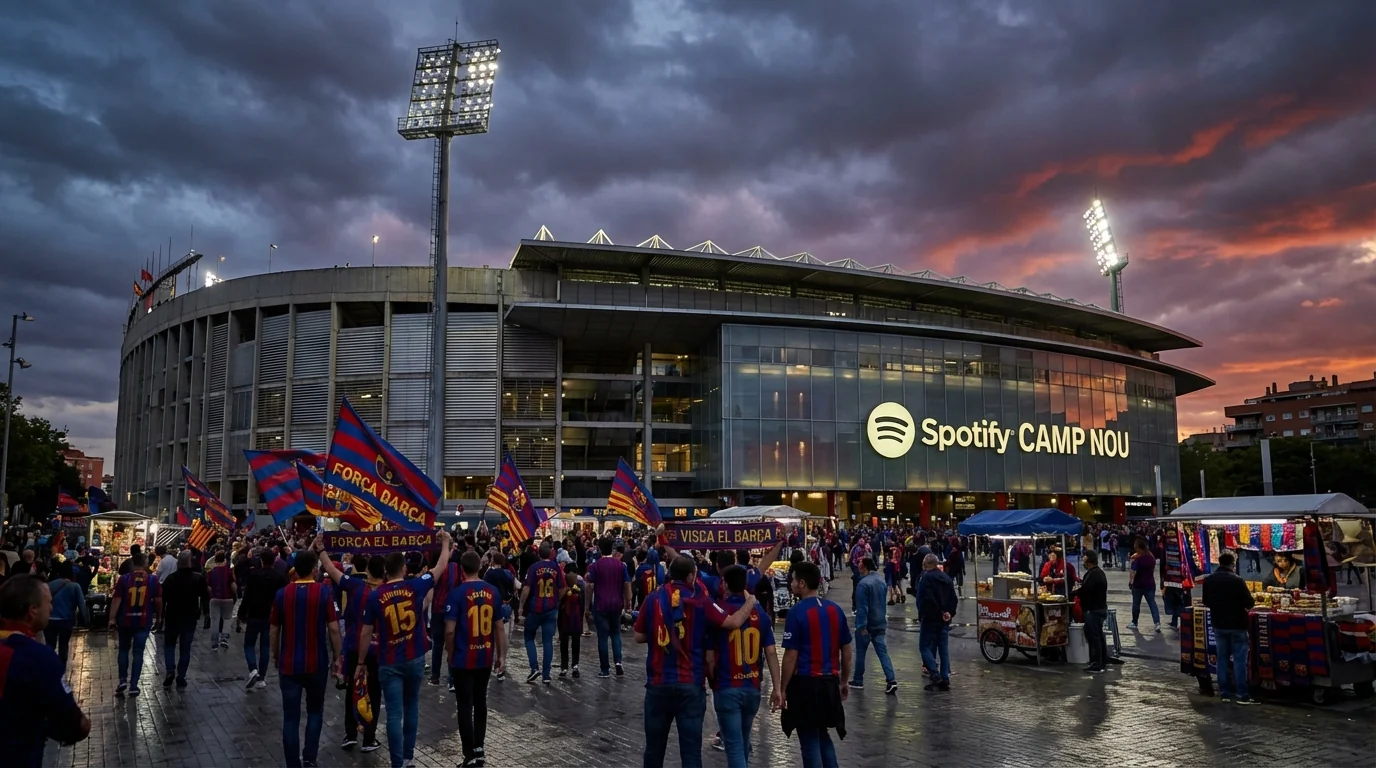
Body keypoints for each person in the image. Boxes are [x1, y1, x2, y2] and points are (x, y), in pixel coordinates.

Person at [635, 553, 757, 768]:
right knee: (691, 752)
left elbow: (638, 636)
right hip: (690, 683)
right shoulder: (701, 601)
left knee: (654, 750)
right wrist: (750, 602)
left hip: (658, 683)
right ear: (692, 576)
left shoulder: (653, 598)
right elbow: (732, 622)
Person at [360, 532, 453, 768]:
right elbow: (441, 566)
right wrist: (445, 543)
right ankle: (409, 756)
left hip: (388, 659)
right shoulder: (415, 586)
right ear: (402, 569)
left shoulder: (375, 596)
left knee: (393, 712)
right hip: (414, 655)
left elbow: (365, 632)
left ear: (384, 572)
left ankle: (397, 761)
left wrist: (360, 663)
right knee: (411, 706)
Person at [0, 575, 92, 766]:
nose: (51, 608)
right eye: (48, 603)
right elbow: (72, 722)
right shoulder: (38, 658)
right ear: (32, 611)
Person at [271, 549, 342, 768]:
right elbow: (333, 628)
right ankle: (310, 757)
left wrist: (275, 654)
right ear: (313, 569)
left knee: (290, 717)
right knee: (315, 711)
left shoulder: (283, 594)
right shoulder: (322, 593)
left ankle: (293, 763)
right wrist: (337, 657)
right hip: (316, 662)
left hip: (289, 663)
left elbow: (274, 629)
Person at [779, 561, 851, 768]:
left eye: (793, 579)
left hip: (805, 683)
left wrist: (783, 688)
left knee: (809, 738)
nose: (791, 583)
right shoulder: (834, 610)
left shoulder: (796, 613)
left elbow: (791, 655)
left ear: (801, 583)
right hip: (829, 682)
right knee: (822, 733)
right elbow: (846, 651)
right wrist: (844, 680)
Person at [707, 564, 779, 768]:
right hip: (752, 686)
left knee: (734, 747)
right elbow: (771, 652)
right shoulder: (760, 615)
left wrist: (712, 680)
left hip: (727, 685)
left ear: (725, 584)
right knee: (744, 741)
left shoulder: (719, 612)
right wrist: (777, 687)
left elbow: (710, 657)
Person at [445, 550, 508, 768]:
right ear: (479, 567)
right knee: (481, 701)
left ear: (462, 570)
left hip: (463, 657)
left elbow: (450, 630)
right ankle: (479, 747)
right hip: (484, 656)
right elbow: (499, 626)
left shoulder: (457, 593)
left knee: (464, 705)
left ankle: (469, 752)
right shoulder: (492, 592)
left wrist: (450, 652)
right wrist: (501, 656)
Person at [318, 547, 383, 753]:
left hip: (355, 646)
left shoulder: (355, 586)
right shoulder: (388, 591)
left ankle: (350, 733)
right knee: (373, 692)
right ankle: (369, 736)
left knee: (352, 690)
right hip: (379, 650)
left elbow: (330, 569)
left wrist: (321, 550)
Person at [1201, 552, 1256, 705]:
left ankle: (1225, 693)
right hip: (1237, 625)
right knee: (1239, 660)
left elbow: (1206, 601)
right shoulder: (1237, 580)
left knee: (1222, 659)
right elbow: (1249, 603)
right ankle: (1242, 694)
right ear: (1233, 563)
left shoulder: (1209, 580)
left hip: (1219, 624)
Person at [108, 553, 162, 696]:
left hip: (125, 620)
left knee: (123, 650)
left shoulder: (124, 579)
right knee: (138, 652)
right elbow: (157, 601)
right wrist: (159, 616)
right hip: (143, 621)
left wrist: (112, 618)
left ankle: (122, 680)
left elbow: (117, 599)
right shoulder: (152, 580)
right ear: (145, 563)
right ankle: (133, 685)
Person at [518, 543, 565, 685]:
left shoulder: (534, 568)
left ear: (538, 554)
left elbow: (526, 588)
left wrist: (521, 606)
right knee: (547, 641)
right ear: (551, 553)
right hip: (551, 608)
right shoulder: (556, 567)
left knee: (528, 637)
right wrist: (556, 600)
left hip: (535, 608)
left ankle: (534, 667)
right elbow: (563, 588)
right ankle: (546, 675)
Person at [160, 551, 208, 688]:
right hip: (189, 617)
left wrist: (160, 617)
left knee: (169, 645)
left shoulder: (170, 579)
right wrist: (206, 614)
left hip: (172, 616)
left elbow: (163, 600)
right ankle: (181, 675)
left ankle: (170, 670)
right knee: (185, 648)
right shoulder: (197, 578)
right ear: (189, 563)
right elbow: (204, 596)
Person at [849, 556, 896, 694]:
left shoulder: (863, 584)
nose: (858, 565)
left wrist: (861, 626)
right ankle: (891, 679)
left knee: (861, 653)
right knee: (883, 652)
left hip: (867, 624)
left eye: (859, 563)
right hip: (880, 622)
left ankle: (858, 680)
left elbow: (862, 608)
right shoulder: (881, 581)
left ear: (864, 566)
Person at [242, 548, 287, 689]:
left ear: (261, 560)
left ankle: (253, 669)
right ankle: (262, 677)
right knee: (265, 646)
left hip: (254, 614)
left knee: (249, 644)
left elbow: (247, 597)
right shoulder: (280, 578)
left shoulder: (254, 576)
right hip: (271, 616)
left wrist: (242, 614)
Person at [586, 537, 630, 678]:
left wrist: (586, 607)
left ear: (599, 548)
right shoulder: (621, 565)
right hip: (616, 604)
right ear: (612, 549)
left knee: (603, 637)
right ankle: (618, 663)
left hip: (601, 605)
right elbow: (627, 584)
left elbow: (589, 585)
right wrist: (627, 602)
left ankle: (605, 669)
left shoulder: (595, 566)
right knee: (616, 634)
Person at [915, 554, 957, 691]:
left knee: (924, 646)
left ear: (927, 564)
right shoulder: (947, 578)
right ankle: (945, 677)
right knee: (943, 649)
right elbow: (953, 598)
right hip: (944, 620)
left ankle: (934, 673)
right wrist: (949, 613)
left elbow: (924, 599)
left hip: (930, 618)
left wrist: (923, 614)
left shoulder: (925, 578)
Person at [429, 545, 463, 691]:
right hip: (454, 610)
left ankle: (435, 677)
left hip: (437, 609)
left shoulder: (433, 571)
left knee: (437, 645)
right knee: (452, 644)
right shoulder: (456, 568)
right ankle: (453, 679)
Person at [45, 562, 88, 672]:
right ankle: (61, 670)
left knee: (50, 645)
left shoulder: (50, 584)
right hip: (67, 620)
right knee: (64, 646)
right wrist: (87, 621)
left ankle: (49, 667)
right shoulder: (75, 586)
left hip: (50, 620)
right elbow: (82, 605)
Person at [482, 552, 517, 682]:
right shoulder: (508, 573)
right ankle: (502, 663)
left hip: (491, 606)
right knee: (504, 635)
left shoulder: (488, 574)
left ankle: (492, 663)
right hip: (506, 605)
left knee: (491, 636)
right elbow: (516, 586)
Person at [1075, 551, 1109, 673]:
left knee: (1094, 637)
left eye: (1084, 558)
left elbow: (1086, 591)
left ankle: (1096, 663)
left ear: (1089, 560)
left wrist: (1076, 592)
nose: (1082, 560)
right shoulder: (1096, 573)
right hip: (1098, 608)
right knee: (1098, 635)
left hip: (1093, 609)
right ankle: (1103, 659)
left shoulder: (1094, 574)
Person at [558, 562, 587, 679]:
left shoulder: (563, 583)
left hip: (564, 617)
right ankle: (575, 666)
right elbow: (583, 602)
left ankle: (564, 667)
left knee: (564, 643)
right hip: (576, 617)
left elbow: (558, 601)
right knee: (576, 643)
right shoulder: (580, 584)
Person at [206, 548, 237, 650]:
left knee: (215, 620)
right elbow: (233, 586)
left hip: (215, 598)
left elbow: (209, 587)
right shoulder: (229, 571)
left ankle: (214, 643)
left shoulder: (211, 572)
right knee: (227, 619)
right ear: (224, 559)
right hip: (227, 598)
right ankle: (224, 638)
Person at [1128, 539, 1161, 632]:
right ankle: (1157, 623)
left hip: (1138, 585)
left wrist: (1131, 582)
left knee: (1136, 604)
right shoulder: (1151, 557)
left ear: (1138, 548)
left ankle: (1134, 622)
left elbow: (1133, 572)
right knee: (1152, 604)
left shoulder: (1137, 559)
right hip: (1150, 584)